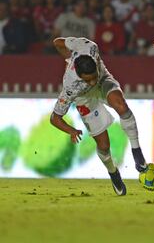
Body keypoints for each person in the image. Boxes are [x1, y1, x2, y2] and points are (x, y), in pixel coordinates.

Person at [50, 36, 147, 196]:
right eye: (88, 80)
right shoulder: (70, 86)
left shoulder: (89, 46)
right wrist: (71, 131)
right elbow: (55, 118)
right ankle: (113, 173)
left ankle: (136, 151)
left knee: (121, 105)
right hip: (85, 99)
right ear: (80, 76)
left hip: (105, 80)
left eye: (93, 76)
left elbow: (57, 42)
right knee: (103, 146)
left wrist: (68, 56)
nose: (92, 82)